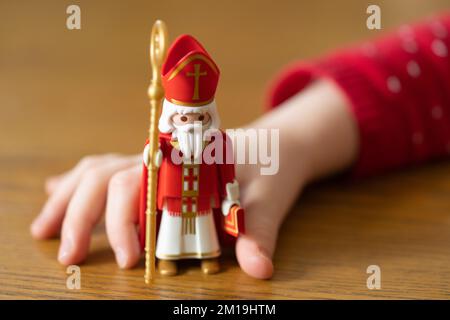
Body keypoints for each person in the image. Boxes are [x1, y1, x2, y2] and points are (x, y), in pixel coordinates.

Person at [31, 13, 450, 280]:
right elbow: (432, 65)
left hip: (205, 201)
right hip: (176, 204)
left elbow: (225, 172)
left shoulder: (217, 145)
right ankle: (171, 260)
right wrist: (297, 138)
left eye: (199, 116)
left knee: (205, 239)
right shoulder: (165, 144)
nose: (192, 123)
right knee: (175, 236)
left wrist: (230, 197)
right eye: (185, 117)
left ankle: (207, 257)